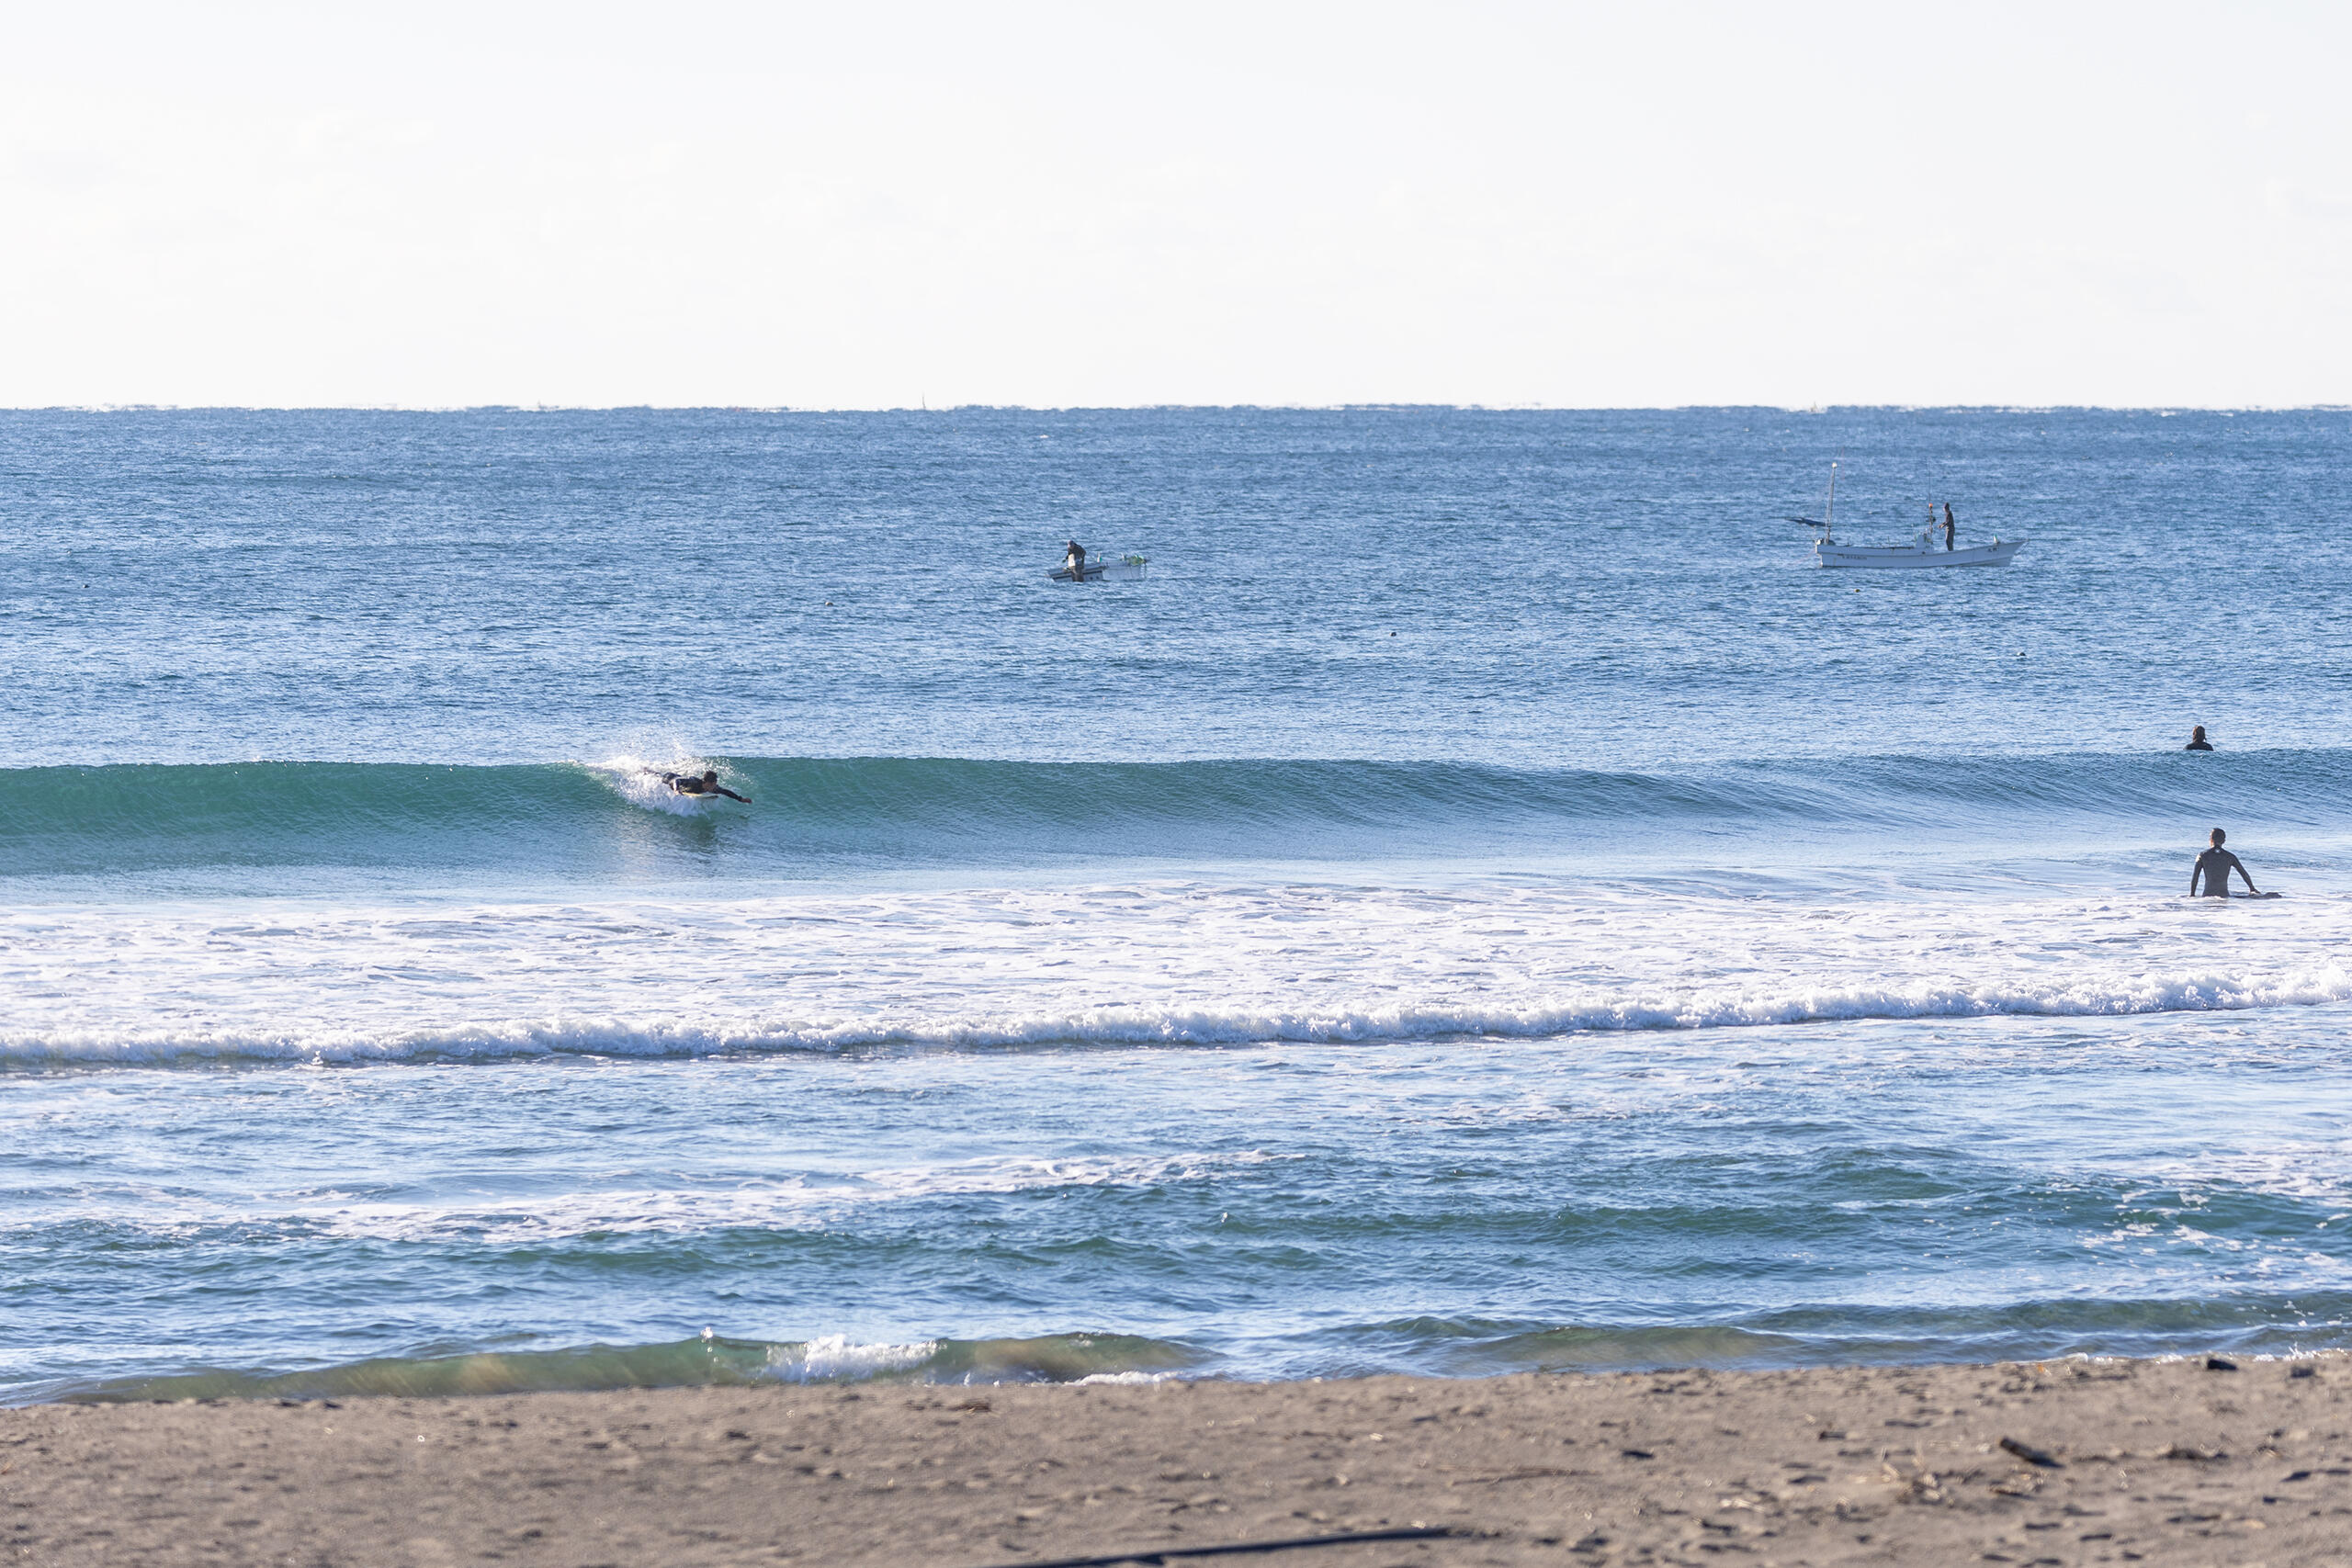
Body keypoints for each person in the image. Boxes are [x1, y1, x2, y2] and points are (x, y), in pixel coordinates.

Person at [2189, 828, 2257, 897]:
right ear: (2224, 841)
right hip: (2224, 896)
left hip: (2208, 896)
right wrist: (2252, 889)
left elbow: (2195, 877)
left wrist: (2192, 895)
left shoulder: (2202, 855)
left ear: (2211, 839)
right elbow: (2244, 874)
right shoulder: (2230, 856)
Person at [662, 769, 750, 803]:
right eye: (711, 784)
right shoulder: (694, 782)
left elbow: (726, 792)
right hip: (670, 778)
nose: (713, 786)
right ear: (705, 782)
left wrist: (740, 799)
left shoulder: (714, 788)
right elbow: (677, 780)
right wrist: (676, 790)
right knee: (657, 777)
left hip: (680, 783)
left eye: (714, 784)